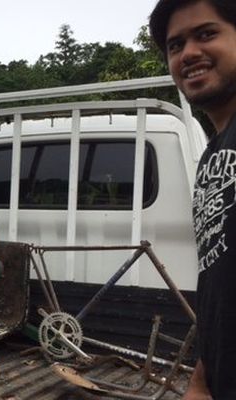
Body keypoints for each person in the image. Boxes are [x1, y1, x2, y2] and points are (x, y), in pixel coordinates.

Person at [150, 1, 236, 398]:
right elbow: (218, 281)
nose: (188, 53)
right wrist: (201, 379)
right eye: (175, 45)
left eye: (206, 34)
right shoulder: (211, 158)